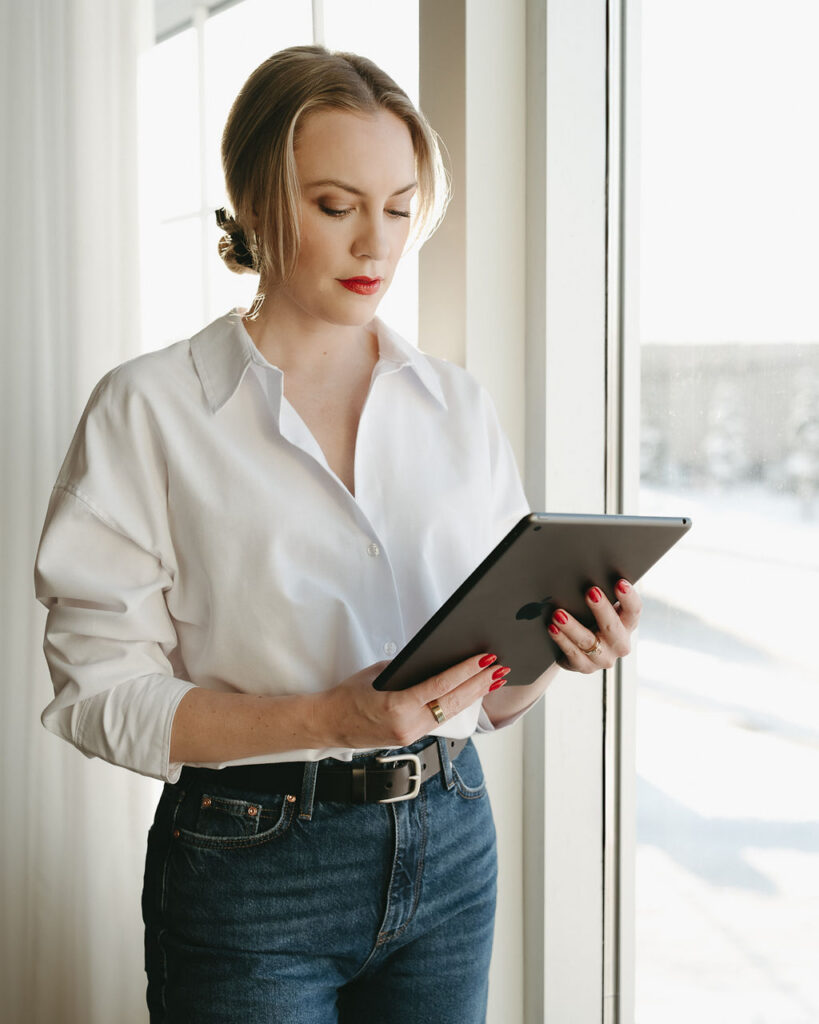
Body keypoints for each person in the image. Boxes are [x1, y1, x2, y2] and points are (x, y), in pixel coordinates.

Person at [34, 45, 641, 1023]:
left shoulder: (456, 405)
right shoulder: (147, 409)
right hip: (250, 865)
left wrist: (553, 651)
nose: (377, 243)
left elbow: (485, 699)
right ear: (255, 198)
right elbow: (98, 695)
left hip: (451, 841)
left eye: (400, 207)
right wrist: (332, 717)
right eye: (335, 204)